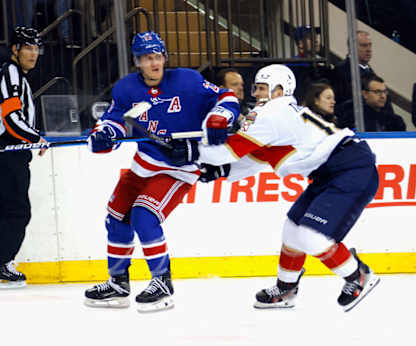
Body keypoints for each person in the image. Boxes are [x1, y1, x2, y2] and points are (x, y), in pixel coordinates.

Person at [171, 64, 380, 312]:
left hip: (349, 169)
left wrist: (192, 151)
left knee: (311, 237)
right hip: (333, 170)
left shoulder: (271, 113)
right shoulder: (280, 114)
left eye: (262, 88)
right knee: (292, 230)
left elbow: (224, 152)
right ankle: (286, 289)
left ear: (280, 91)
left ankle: (357, 276)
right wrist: (221, 172)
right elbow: (254, 161)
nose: (256, 94)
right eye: (256, 88)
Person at [83, 31, 239, 312]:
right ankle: (118, 284)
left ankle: (162, 282)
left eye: (157, 56)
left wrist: (219, 117)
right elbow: (115, 121)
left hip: (179, 169)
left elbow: (227, 98)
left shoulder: (188, 81)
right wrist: (104, 135)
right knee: (117, 216)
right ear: (137, 61)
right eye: (146, 58)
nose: (154, 63)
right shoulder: (126, 88)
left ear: (164, 57)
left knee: (144, 215)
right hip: (144, 164)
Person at [0, 27, 46, 289]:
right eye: (27, 48)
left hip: (13, 151)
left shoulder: (17, 75)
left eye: (36, 48)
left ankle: (0, 263)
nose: (33, 53)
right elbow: (11, 120)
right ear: (14, 50)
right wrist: (36, 137)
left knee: (14, 208)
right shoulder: (11, 74)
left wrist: (32, 138)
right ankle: (0, 265)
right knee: (17, 209)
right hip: (7, 149)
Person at [336, 74, 406, 131]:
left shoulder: (395, 120)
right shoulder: (352, 117)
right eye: (377, 92)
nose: (383, 96)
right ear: (365, 94)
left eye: (384, 92)